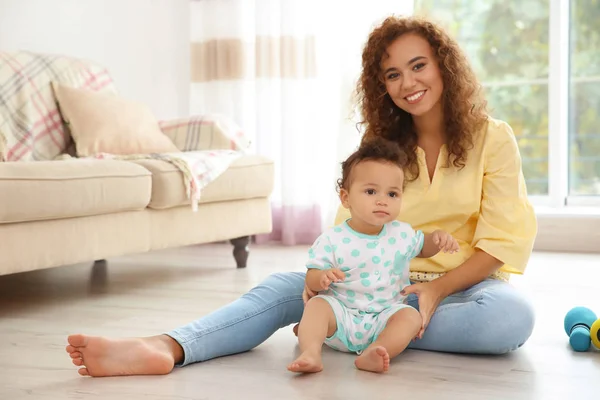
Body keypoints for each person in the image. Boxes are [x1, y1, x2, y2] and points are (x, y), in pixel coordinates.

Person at [65, 15, 537, 378]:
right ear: (382, 86)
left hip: (459, 290)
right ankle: (166, 346)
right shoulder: (381, 147)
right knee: (282, 289)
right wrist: (321, 282)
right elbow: (351, 226)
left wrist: (432, 291)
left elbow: (500, 243)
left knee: (510, 318)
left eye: (418, 66)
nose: (408, 84)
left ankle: (347, 333)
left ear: (443, 66)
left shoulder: (492, 139)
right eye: (392, 75)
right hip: (369, 284)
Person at [287, 138, 460, 374]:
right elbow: (311, 279)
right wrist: (322, 277)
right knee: (317, 306)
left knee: (410, 317)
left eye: (392, 194)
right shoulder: (333, 239)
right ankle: (311, 352)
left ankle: (377, 350)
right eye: (370, 191)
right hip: (342, 315)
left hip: (384, 317)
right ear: (346, 198)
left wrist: (437, 239)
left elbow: (423, 247)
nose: (382, 200)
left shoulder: (401, 233)